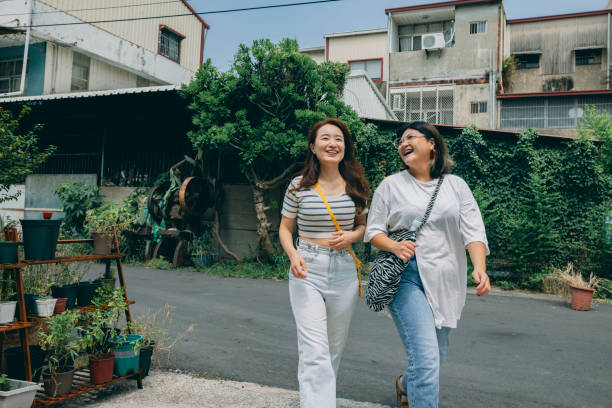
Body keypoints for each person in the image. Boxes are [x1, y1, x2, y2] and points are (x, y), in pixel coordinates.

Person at [364, 121, 491, 408]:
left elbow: (473, 231)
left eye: (410, 137)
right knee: (426, 356)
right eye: (400, 141)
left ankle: (404, 385)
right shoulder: (391, 185)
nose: (402, 143)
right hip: (406, 276)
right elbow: (373, 232)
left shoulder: (456, 186)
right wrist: (394, 245)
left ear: (432, 144)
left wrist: (479, 267)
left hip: (446, 278)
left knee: (436, 356)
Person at [278, 118, 370, 408]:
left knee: (332, 348)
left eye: (339, 139)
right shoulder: (298, 186)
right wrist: (294, 255)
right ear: (313, 146)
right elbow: (284, 229)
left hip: (344, 270)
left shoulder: (356, 184)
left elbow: (364, 227)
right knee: (314, 349)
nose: (333, 144)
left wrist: (351, 237)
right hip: (307, 267)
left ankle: (317, 400)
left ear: (346, 146)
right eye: (326, 138)